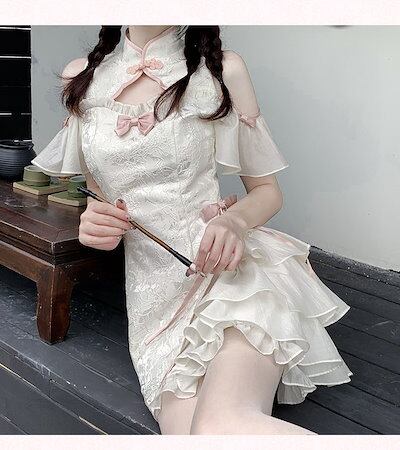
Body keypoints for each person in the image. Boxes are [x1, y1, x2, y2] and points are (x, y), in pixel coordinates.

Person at [32, 25, 352, 435]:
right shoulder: (82, 77)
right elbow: (100, 196)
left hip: (233, 277)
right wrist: (93, 222)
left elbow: (268, 192)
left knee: (221, 424)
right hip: (154, 306)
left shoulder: (222, 70)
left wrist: (234, 220)